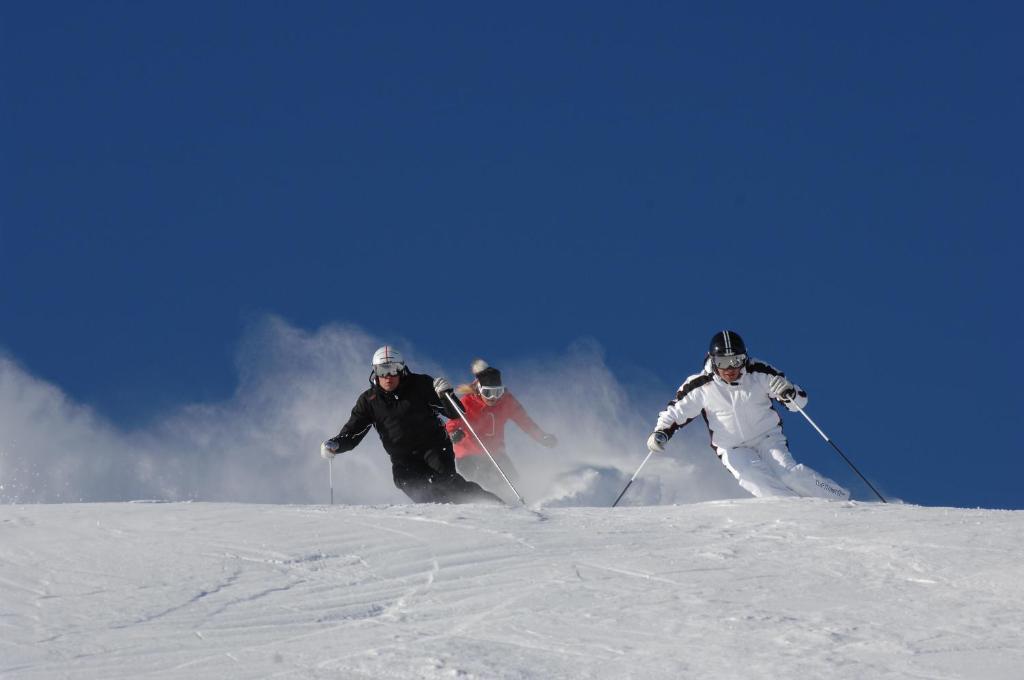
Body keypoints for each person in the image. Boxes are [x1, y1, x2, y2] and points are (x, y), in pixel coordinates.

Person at [646, 330, 849, 500]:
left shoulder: (759, 372)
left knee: (790, 475)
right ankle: (799, 512)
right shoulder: (702, 386)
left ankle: (838, 498)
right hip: (732, 447)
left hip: (767, 438)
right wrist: (661, 432)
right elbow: (675, 411)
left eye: (736, 360)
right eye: (723, 362)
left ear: (745, 358)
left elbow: (799, 403)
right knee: (758, 482)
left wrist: (789, 394)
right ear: (713, 361)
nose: (730, 368)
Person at [320, 346, 503, 505]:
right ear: (375, 372)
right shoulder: (369, 401)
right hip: (402, 456)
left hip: (434, 446)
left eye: (393, 370)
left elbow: (455, 413)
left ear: (401, 369)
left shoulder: (420, 384)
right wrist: (336, 444)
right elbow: (353, 432)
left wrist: (445, 394)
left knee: (446, 482)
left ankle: (492, 505)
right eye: (382, 370)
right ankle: (446, 515)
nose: (388, 376)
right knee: (407, 482)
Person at [444, 359, 557, 495]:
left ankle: (518, 511)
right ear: (479, 390)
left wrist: (542, 437)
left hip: (495, 454)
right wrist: (453, 436)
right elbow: (449, 426)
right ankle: (485, 508)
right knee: (485, 480)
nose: (493, 398)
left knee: (513, 481)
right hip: (469, 456)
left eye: (497, 392)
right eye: (488, 393)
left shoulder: (506, 401)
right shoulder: (467, 403)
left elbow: (525, 422)